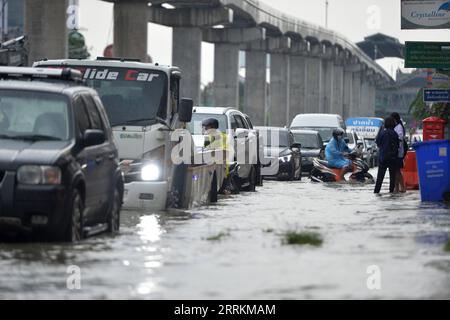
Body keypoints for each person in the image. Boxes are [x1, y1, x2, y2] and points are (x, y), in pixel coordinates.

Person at [374, 117, 399, 194]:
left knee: (380, 178)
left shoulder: (382, 133)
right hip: (393, 158)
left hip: (383, 158)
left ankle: (376, 192)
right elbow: (397, 145)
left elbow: (378, 143)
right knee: (392, 178)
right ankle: (391, 192)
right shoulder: (395, 133)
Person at [391, 112, 406, 193]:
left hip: (398, 153)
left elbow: (399, 139)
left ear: (394, 119)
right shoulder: (397, 127)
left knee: (396, 171)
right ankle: (400, 187)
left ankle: (398, 188)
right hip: (397, 152)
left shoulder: (399, 127)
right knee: (397, 171)